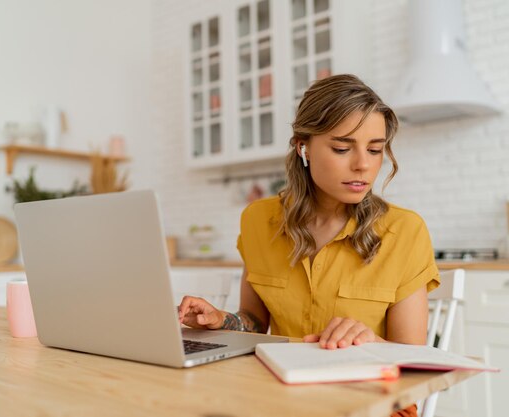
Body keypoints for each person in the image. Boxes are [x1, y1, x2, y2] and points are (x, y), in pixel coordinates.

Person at [178, 74, 440, 417]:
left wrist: (369, 341)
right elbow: (255, 323)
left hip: (372, 403)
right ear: (303, 146)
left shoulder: (405, 231)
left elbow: (413, 362)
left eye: (375, 149)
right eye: (342, 148)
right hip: (280, 398)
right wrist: (220, 320)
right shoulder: (259, 221)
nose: (363, 163)